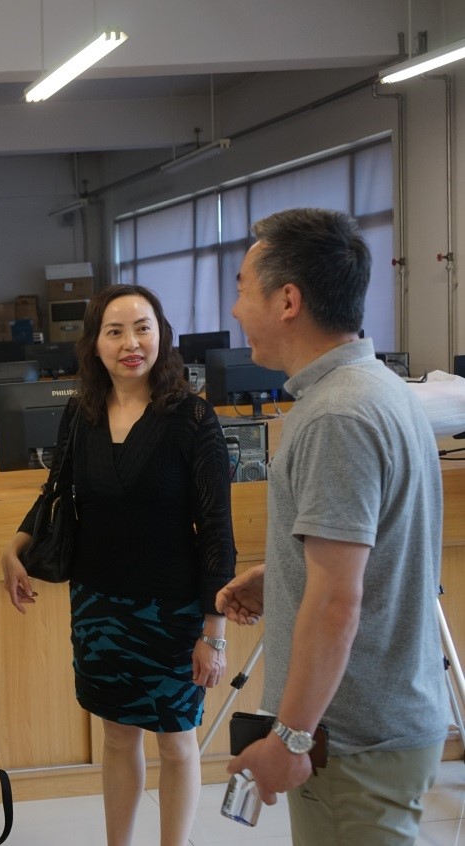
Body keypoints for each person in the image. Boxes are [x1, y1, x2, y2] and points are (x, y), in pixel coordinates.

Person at [217, 208, 446, 844]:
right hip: (375, 729)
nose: (235, 309)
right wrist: (285, 575)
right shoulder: (377, 389)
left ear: (287, 300)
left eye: (242, 289)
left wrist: (290, 737)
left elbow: (338, 603)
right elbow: (374, 558)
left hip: (353, 741)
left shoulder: (335, 417)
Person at [1, 284, 235, 846]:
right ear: (95, 344)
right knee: (116, 737)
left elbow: (217, 533)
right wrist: (15, 546)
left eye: (142, 328)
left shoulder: (193, 418)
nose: (131, 343)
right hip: (99, 606)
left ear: (161, 336)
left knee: (176, 742)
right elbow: (56, 491)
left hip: (172, 610)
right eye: (115, 331)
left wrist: (214, 632)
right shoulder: (81, 413)